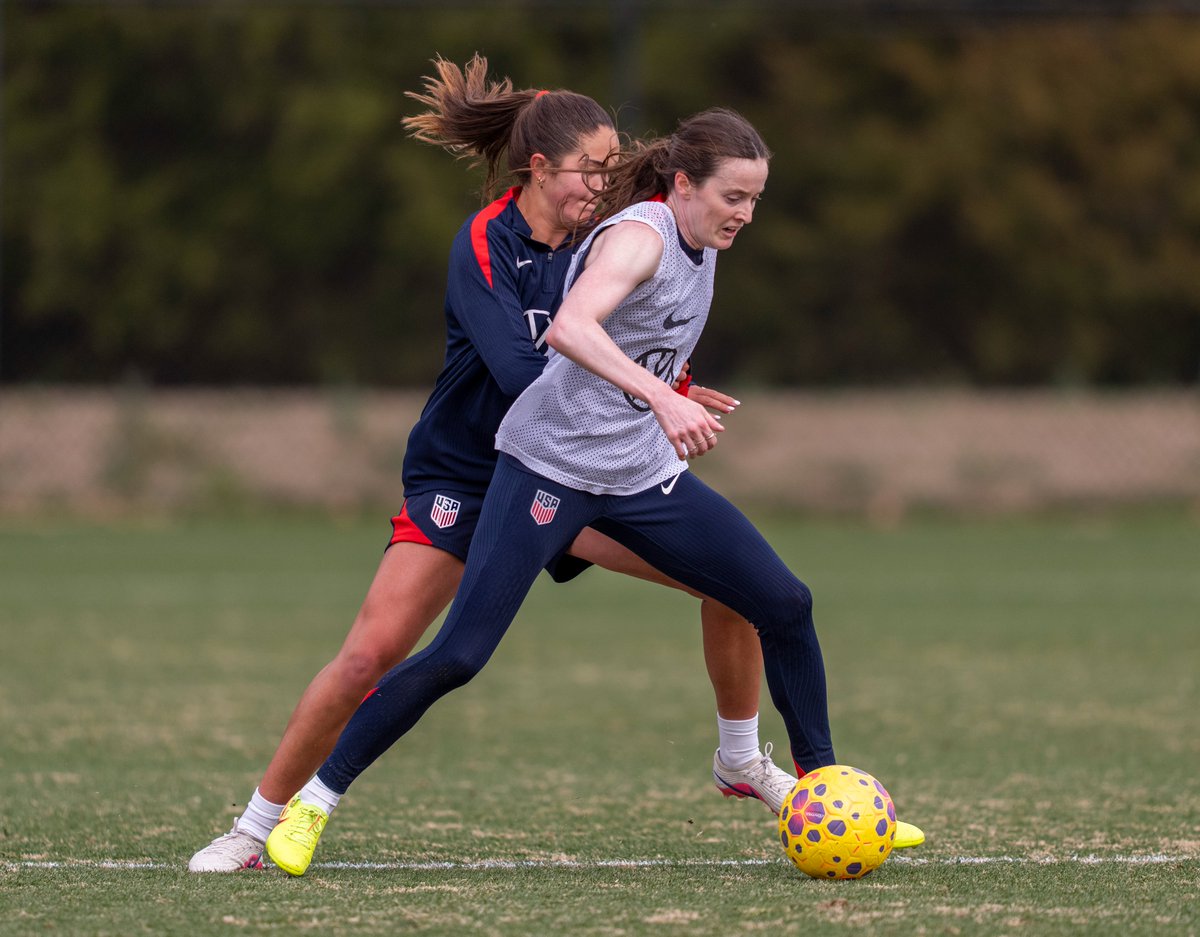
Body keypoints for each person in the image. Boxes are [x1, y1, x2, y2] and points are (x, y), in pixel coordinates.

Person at [262, 105, 925, 876]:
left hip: (637, 476)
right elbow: (570, 327)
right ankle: (312, 801)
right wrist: (665, 396)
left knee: (784, 601)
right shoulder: (641, 235)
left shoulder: (703, 239)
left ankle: (824, 793)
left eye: (755, 199)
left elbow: (640, 339)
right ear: (684, 185)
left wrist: (671, 386)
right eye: (734, 197)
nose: (746, 214)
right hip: (545, 470)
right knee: (459, 655)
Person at [188, 57, 797, 874]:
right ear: (539, 168)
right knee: (371, 656)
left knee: (739, 585)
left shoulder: (610, 238)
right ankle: (254, 826)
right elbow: (523, 373)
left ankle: (742, 758)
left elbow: (638, 329)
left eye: (611, 168)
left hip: (572, 473)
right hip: (466, 477)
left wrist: (668, 381)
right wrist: (649, 390)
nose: (604, 185)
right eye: (590, 170)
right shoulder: (486, 243)